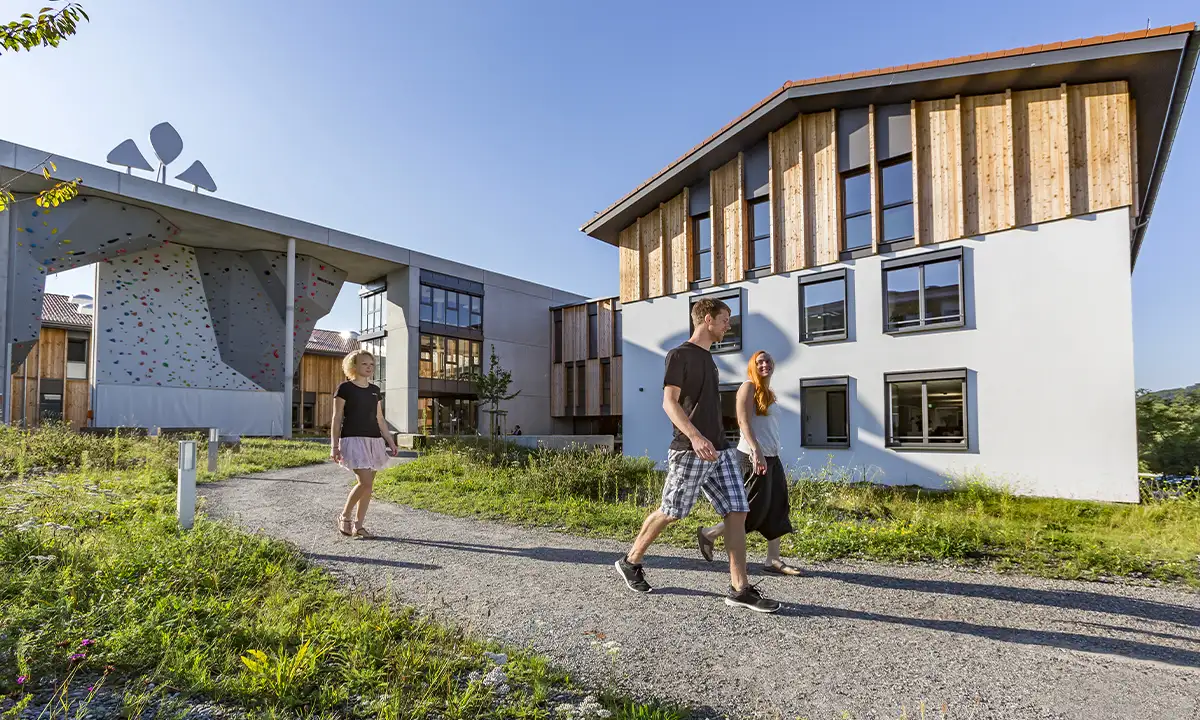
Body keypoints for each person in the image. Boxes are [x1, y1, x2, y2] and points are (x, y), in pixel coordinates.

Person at [613, 297, 780, 613]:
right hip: (691, 449)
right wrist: (695, 436)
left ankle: (740, 589)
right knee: (672, 511)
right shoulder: (680, 355)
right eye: (725, 319)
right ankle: (630, 561)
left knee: (737, 510)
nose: (729, 325)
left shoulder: (710, 360)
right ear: (707, 318)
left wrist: (714, 440)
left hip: (719, 450)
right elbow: (669, 403)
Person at [697, 351, 801, 576]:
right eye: (759, 361)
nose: (764, 364)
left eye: (768, 361)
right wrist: (756, 451)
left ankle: (773, 559)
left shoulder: (768, 393)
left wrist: (767, 454)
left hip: (771, 456)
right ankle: (710, 533)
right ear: (753, 366)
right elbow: (743, 422)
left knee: (777, 505)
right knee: (752, 508)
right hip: (753, 456)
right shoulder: (748, 387)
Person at [332, 349, 397, 538]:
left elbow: (380, 419)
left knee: (369, 485)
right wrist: (334, 446)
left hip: (374, 440)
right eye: (364, 364)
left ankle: (358, 526)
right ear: (353, 366)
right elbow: (337, 419)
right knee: (365, 482)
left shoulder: (375, 390)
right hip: (353, 439)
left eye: (371, 364)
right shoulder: (345, 388)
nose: (368, 367)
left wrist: (390, 441)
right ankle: (344, 516)